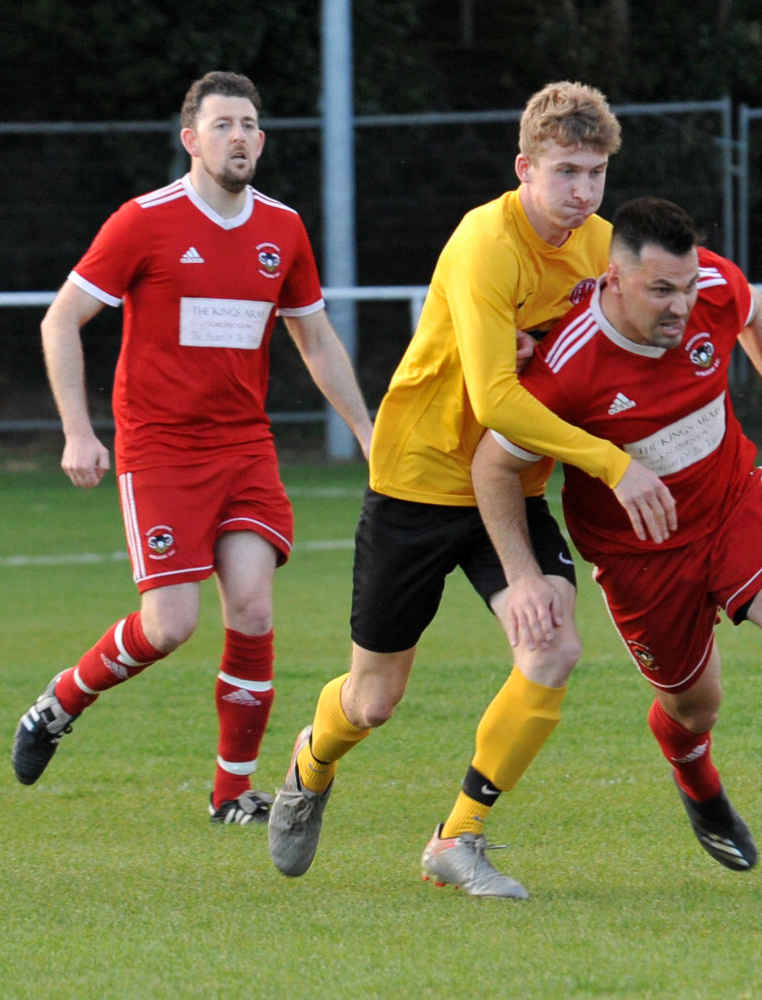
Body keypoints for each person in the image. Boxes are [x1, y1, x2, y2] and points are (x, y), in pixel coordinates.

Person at [268, 81, 677, 897]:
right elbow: (494, 399)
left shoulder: (602, 247)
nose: (583, 192)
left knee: (553, 646)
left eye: (596, 173)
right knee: (374, 698)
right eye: (565, 170)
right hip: (418, 479)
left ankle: (458, 837)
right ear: (525, 167)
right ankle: (309, 767)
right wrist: (610, 461)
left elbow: (623, 343)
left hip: (512, 486)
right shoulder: (484, 242)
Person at [11, 71, 374, 826]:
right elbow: (60, 321)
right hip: (161, 448)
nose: (238, 136)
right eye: (222, 125)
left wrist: (369, 434)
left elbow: (314, 338)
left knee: (252, 607)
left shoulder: (284, 230)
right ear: (191, 140)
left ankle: (232, 793)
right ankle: (61, 701)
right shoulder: (143, 222)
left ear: (263, 139)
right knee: (170, 626)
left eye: (249, 124)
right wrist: (79, 430)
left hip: (244, 445)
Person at [471, 196, 762, 887]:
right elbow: (492, 464)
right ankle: (695, 776)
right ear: (614, 280)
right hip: (641, 555)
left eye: (685, 286)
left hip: (732, 500)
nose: (681, 305)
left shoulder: (705, 288)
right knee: (693, 707)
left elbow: (756, 312)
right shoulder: (567, 367)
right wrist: (522, 575)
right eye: (660, 291)